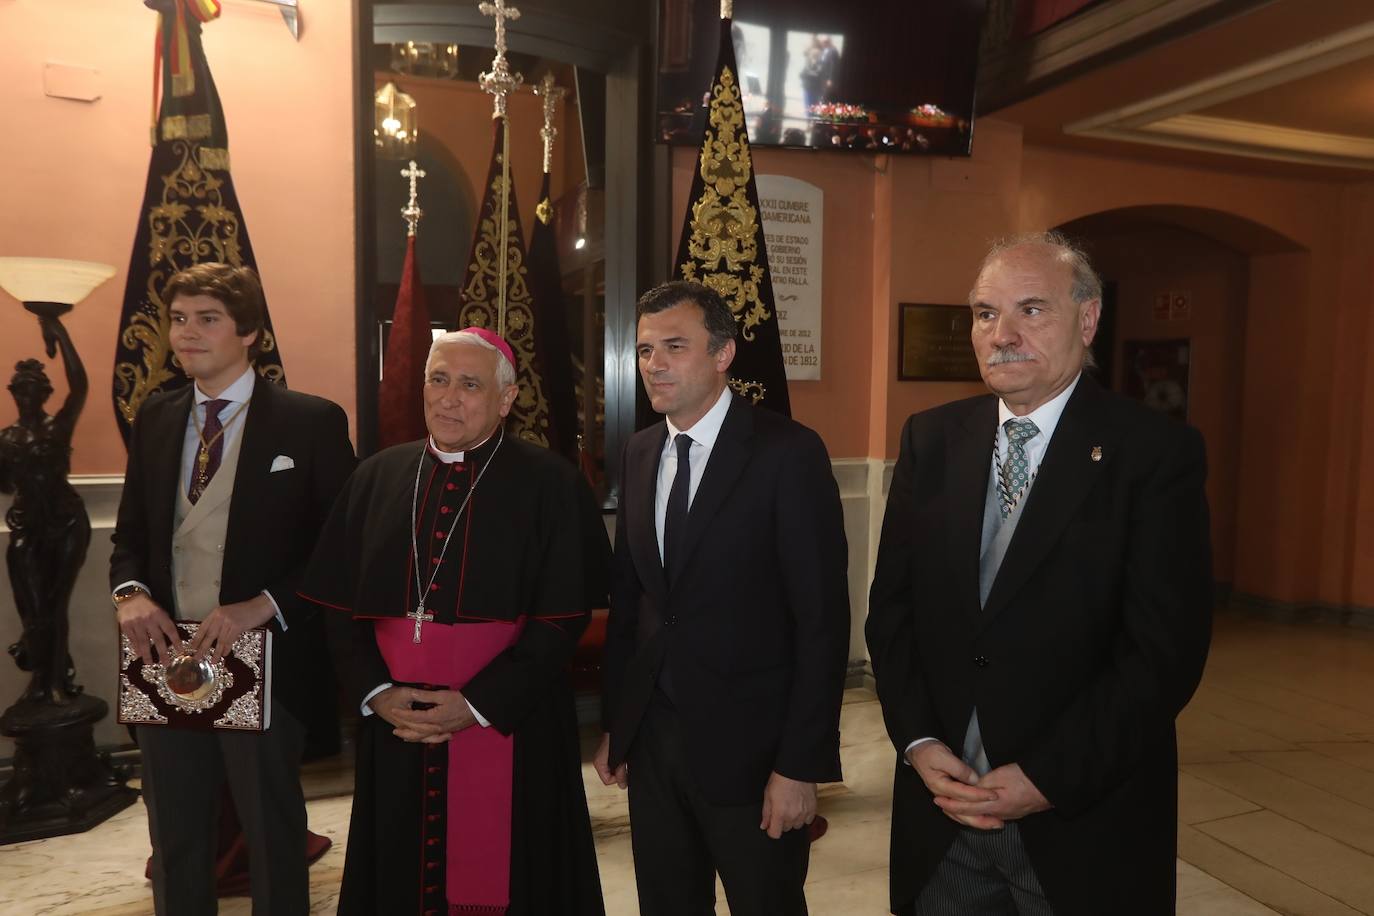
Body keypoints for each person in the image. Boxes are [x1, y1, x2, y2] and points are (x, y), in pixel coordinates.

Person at [866, 232, 1213, 915]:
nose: (1002, 334)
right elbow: (892, 612)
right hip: (944, 820)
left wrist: (1048, 777)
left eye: (1031, 310)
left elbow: (1162, 655)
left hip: (1080, 825)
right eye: (985, 313)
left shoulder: (1152, 454)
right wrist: (918, 739)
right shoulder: (930, 440)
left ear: (1087, 321)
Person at [299, 328, 607, 916]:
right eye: (437, 380)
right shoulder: (376, 477)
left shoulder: (550, 483)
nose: (448, 398)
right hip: (397, 722)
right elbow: (338, 609)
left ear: (506, 398)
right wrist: (375, 693)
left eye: (470, 384)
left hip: (509, 718)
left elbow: (562, 617)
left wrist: (478, 703)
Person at [596, 280, 850, 915]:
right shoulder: (640, 451)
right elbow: (632, 601)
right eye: (646, 348)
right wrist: (617, 726)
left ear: (723, 353)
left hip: (755, 753)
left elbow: (821, 622)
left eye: (674, 346)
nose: (653, 364)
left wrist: (799, 766)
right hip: (655, 746)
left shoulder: (787, 453)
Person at [110, 262, 356, 915]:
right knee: (177, 838)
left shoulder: (310, 422)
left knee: (273, 836)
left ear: (248, 331)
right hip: (164, 660)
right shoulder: (156, 420)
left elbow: (344, 551)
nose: (186, 333)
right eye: (179, 319)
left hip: (265, 661)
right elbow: (128, 535)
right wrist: (130, 593)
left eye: (207, 319)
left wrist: (265, 604)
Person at [0, 314, 88, 705]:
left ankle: (52, 682)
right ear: (13, 393)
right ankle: (46, 673)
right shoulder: (5, 439)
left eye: (35, 390)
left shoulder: (59, 427)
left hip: (67, 522)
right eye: (21, 390)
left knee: (55, 603)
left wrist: (58, 330)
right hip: (27, 529)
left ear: (45, 393)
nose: (28, 396)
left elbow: (80, 384)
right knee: (32, 609)